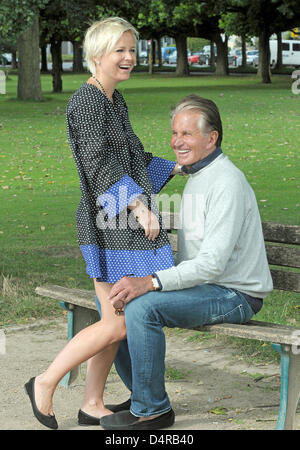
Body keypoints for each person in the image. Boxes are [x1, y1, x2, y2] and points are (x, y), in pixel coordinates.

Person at [24, 17, 181, 430]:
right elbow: (99, 164)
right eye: (120, 51)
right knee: (116, 322)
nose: (130, 57)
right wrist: (140, 208)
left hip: (119, 225)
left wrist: (175, 167)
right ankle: (45, 381)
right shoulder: (88, 101)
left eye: (133, 49)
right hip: (107, 225)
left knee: (117, 319)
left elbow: (132, 155)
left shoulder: (113, 100)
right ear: (97, 56)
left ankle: (92, 401)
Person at [100, 94, 274, 430]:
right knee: (119, 301)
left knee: (142, 307)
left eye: (187, 134)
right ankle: (143, 394)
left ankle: (153, 410)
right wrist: (141, 275)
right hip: (208, 285)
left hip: (235, 293)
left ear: (212, 138)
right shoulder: (198, 176)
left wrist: (150, 282)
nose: (177, 142)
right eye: (175, 133)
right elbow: (193, 256)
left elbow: (211, 265)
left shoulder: (226, 182)